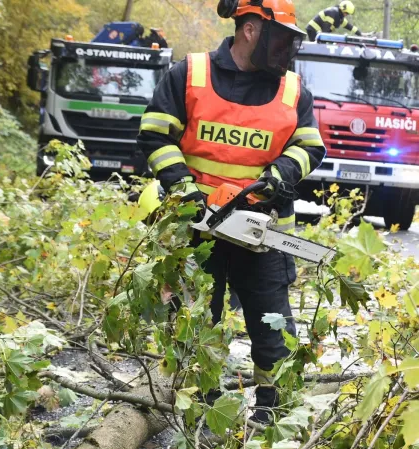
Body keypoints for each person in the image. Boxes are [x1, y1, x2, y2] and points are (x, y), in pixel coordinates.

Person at [136, 0, 326, 424]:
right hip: (195, 229)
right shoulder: (191, 74)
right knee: (196, 320)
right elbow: (154, 135)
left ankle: (272, 412)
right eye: (281, 39)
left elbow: (311, 145)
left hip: (260, 230)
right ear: (251, 30)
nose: (286, 50)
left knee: (272, 327)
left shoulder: (293, 89)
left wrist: (282, 173)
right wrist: (184, 189)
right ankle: (204, 409)